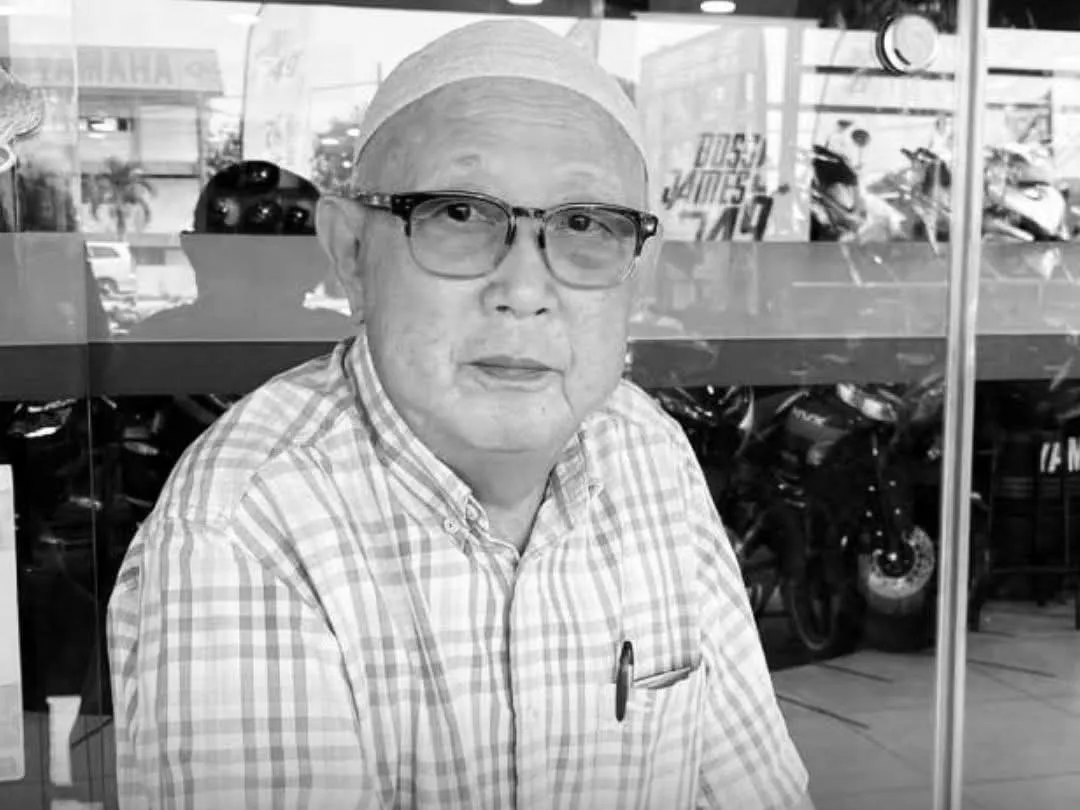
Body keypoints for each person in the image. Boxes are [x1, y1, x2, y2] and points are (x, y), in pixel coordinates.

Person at [107, 19, 813, 810]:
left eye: (584, 225)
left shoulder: (649, 452)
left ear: (635, 279)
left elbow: (755, 790)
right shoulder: (244, 531)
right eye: (458, 214)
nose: (524, 289)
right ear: (351, 255)